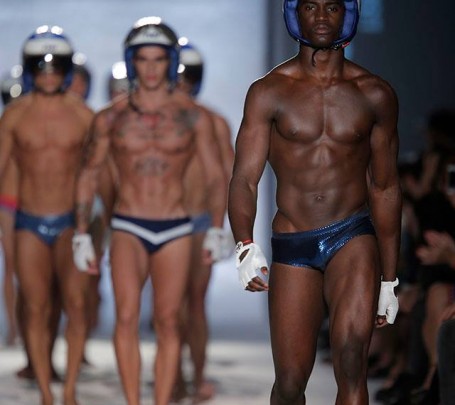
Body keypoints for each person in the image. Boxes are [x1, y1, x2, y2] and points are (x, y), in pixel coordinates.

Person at [228, 1, 402, 403]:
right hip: (294, 240)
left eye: (332, 7)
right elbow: (244, 178)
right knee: (290, 384)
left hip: (352, 235)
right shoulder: (269, 91)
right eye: (311, 6)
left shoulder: (375, 94)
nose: (322, 17)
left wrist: (390, 279)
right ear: (295, 13)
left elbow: (385, 187)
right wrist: (244, 244)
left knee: (352, 357)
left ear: (348, 14)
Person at [72, 16, 226, 405]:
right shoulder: (111, 117)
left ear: (171, 62)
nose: (152, 68)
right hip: (128, 224)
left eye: (159, 59)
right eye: (144, 59)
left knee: (169, 321)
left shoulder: (193, 117)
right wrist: (81, 234)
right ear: (132, 61)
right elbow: (89, 174)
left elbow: (215, 176)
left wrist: (217, 228)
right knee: (126, 318)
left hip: (175, 226)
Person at [0, 25, 94, 405]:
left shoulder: (84, 116)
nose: (49, 72)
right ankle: (45, 392)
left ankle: (69, 391)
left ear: (68, 67)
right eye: (41, 64)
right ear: (29, 67)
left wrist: (98, 224)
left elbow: (97, 172)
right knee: (35, 308)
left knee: (76, 306)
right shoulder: (14, 117)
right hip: (29, 222)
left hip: (72, 223)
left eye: (56, 65)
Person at [172, 38, 234, 403]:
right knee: (170, 307)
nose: (183, 81)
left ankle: (194, 377)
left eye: (189, 75)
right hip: (164, 221)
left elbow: (225, 179)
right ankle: (175, 376)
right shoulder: (155, 120)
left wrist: (217, 227)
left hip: (197, 222)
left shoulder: (214, 122)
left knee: (193, 302)